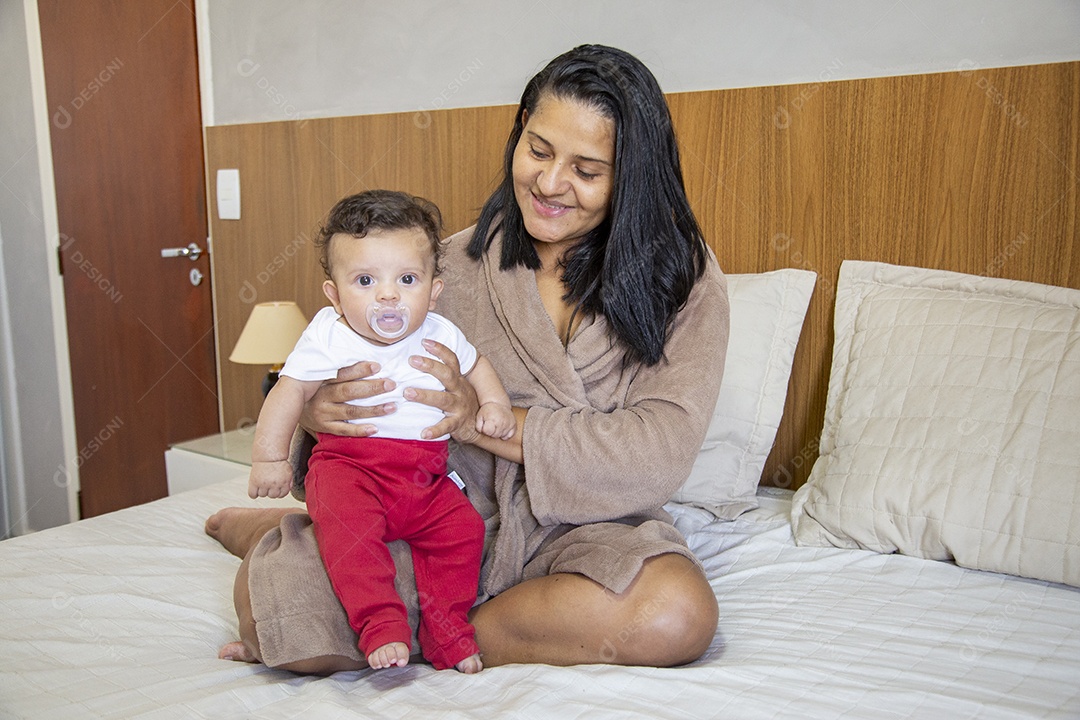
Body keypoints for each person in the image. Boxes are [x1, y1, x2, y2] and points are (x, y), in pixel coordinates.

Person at [208, 43, 730, 674]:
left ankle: (442, 625)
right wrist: (320, 414)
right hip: (440, 518)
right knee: (286, 612)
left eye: (587, 170)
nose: (550, 182)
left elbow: (659, 451)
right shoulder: (440, 270)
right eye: (537, 150)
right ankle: (402, 602)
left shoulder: (683, 282)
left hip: (589, 532)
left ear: (632, 177)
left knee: (674, 615)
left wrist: (483, 419)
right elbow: (335, 393)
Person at [245, 190, 514, 673]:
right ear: (335, 294)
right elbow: (288, 392)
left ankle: (447, 630)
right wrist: (270, 457)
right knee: (351, 537)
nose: (388, 295)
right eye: (365, 280)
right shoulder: (330, 333)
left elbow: (479, 367)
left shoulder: (439, 330)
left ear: (433, 290)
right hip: (350, 470)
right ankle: (380, 623)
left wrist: (493, 405)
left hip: (425, 480)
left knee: (463, 531)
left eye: (406, 279)